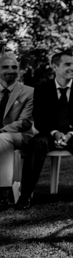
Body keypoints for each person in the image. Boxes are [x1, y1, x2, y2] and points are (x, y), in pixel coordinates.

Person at [16, 51, 73, 209]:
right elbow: (40, 119)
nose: (72, 67)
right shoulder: (42, 90)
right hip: (50, 132)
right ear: (55, 67)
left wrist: (70, 134)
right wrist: (55, 133)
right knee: (36, 143)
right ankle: (25, 195)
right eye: (67, 64)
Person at [0, 55, 34, 210]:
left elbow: (24, 121)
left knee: (3, 139)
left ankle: (2, 195)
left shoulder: (29, 92)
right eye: (5, 67)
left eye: (14, 67)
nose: (10, 70)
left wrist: (2, 131)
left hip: (21, 136)